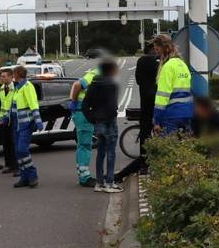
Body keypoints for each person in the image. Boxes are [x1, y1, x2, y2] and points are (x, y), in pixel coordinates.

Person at [114, 43, 158, 182]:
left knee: (145, 131)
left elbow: (138, 80)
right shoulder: (160, 61)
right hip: (159, 100)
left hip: (145, 100)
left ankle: (144, 164)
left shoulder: (141, 61)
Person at [80, 59, 121, 193]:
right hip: (109, 121)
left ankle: (99, 183)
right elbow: (112, 105)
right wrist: (111, 114)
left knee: (100, 152)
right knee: (111, 152)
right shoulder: (112, 84)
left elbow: (85, 105)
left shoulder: (93, 84)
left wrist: (92, 118)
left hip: (98, 122)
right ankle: (110, 182)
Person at [3, 65, 43, 188]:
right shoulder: (17, 88)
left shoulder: (27, 86)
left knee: (22, 150)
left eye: (14, 73)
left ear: (18, 74)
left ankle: (32, 175)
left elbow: (33, 104)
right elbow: (13, 105)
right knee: (18, 152)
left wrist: (38, 121)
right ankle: (24, 177)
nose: (13, 76)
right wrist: (6, 116)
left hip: (26, 124)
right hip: (17, 124)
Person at [152, 35, 194, 135]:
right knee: (183, 147)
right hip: (187, 113)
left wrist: (156, 121)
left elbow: (162, 96)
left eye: (157, 49)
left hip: (171, 115)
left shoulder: (167, 67)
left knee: (167, 147)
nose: (156, 53)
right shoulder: (182, 64)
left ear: (163, 49)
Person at [68, 64, 100, 187]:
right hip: (83, 113)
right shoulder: (97, 74)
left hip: (81, 112)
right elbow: (77, 85)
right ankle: (84, 177)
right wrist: (74, 101)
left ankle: (82, 174)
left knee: (82, 145)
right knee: (86, 145)